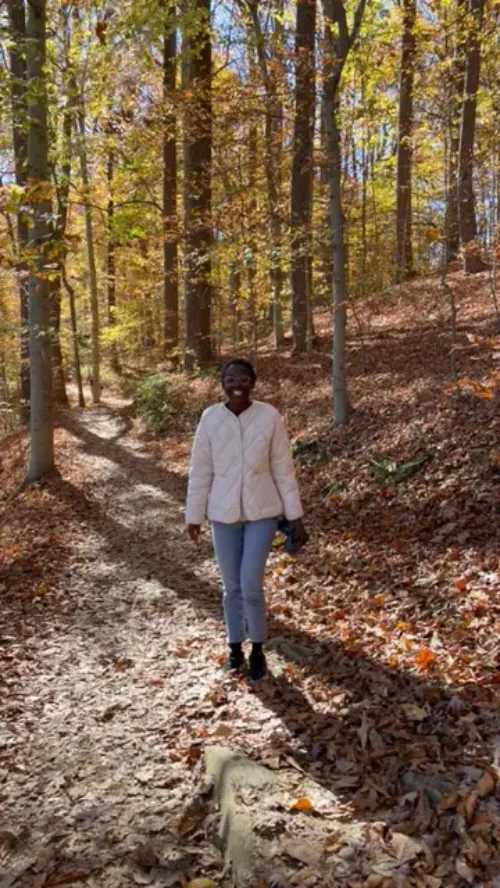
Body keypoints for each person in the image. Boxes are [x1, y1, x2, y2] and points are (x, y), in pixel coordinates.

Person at [186, 358, 307, 681]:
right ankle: (234, 648)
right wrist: (194, 515)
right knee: (232, 587)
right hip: (222, 515)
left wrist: (295, 516)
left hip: (262, 514)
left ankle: (257, 650)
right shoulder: (210, 418)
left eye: (243, 378)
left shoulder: (269, 417)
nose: (237, 383)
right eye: (230, 378)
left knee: (251, 584)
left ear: (253, 382)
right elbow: (201, 470)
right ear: (222, 383)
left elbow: (283, 468)